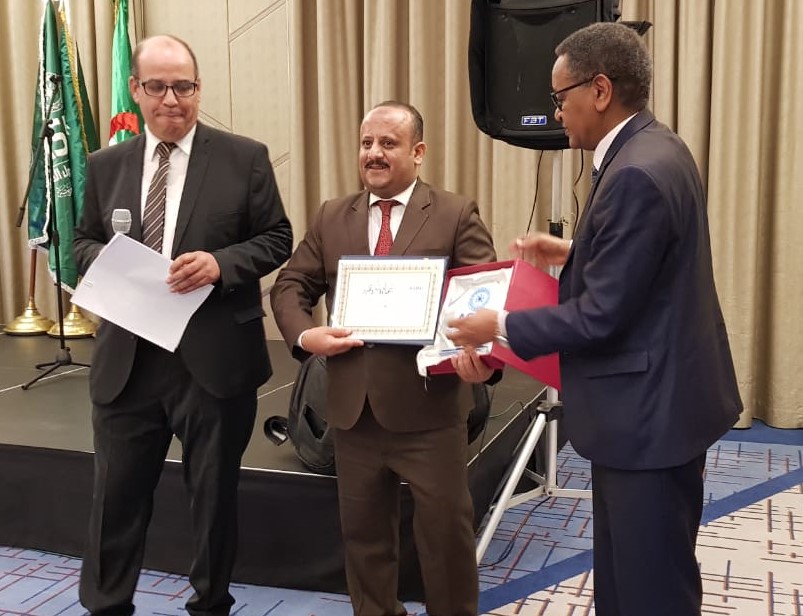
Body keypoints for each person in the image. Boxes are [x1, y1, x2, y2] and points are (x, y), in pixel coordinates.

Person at [447, 22, 742, 616]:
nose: (556, 113)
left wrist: (499, 324)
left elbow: (601, 317)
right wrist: (575, 253)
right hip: (658, 406)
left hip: (647, 420)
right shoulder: (655, 146)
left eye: (560, 97)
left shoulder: (633, 172)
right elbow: (646, 266)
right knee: (630, 576)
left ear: (600, 90)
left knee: (649, 590)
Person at [73, 35, 292, 616]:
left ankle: (210, 605)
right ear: (135, 90)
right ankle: (107, 605)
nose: (172, 99)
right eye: (158, 87)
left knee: (213, 501)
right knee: (114, 500)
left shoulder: (244, 158)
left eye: (184, 86)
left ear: (199, 88)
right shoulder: (105, 165)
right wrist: (115, 265)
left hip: (212, 361)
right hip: (128, 362)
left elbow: (277, 238)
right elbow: (81, 243)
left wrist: (221, 264)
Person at [270, 101, 495, 616]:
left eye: (388, 143)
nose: (373, 153)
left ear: (418, 152)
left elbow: (483, 293)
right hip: (354, 414)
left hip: (430, 411)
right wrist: (305, 335)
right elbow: (290, 284)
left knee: (446, 539)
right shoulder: (332, 215)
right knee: (365, 541)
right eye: (367, 142)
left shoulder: (455, 213)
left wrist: (477, 354)